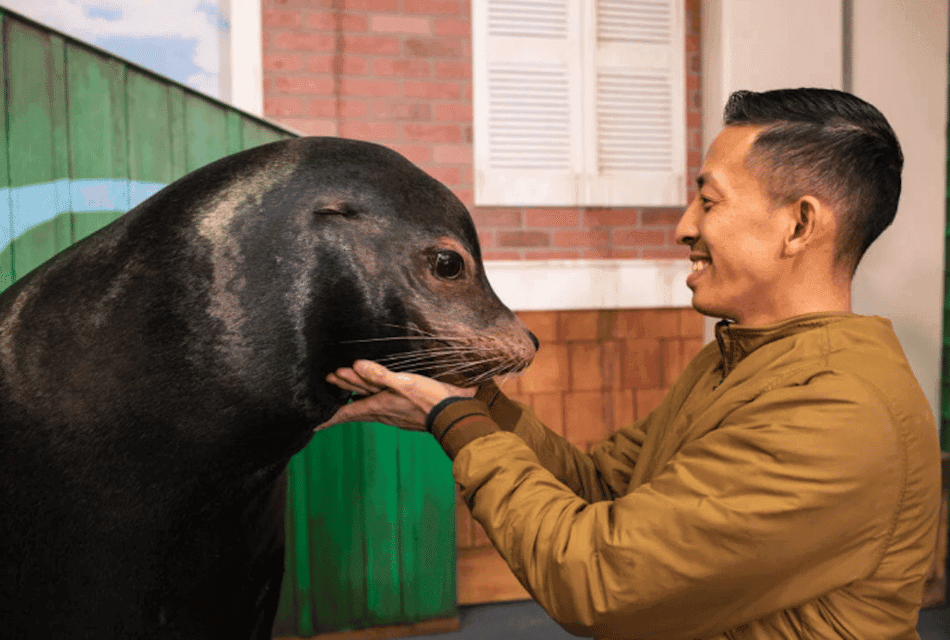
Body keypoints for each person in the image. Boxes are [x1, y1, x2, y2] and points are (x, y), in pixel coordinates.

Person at [318, 88, 942, 639]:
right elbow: (599, 488)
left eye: (709, 201)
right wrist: (474, 402)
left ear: (800, 225)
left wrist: (458, 423)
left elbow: (600, 581)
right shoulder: (732, 362)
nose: (684, 227)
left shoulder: (838, 410)